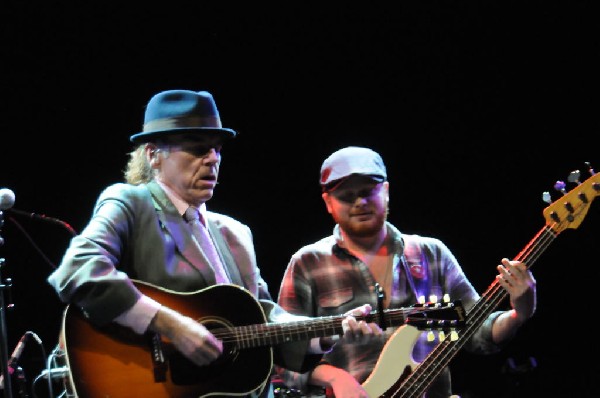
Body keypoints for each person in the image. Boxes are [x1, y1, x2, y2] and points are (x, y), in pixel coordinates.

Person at [46, 92, 382, 398]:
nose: (212, 159)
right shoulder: (131, 204)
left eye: (216, 148)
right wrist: (168, 323)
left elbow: (263, 317)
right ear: (153, 155)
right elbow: (79, 270)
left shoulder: (235, 233)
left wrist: (328, 331)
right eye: (196, 147)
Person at [274, 146, 537, 398]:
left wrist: (519, 313)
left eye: (368, 191)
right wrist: (335, 377)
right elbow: (282, 361)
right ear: (328, 203)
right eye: (346, 196)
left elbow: (478, 333)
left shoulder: (431, 253)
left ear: (386, 191)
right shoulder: (307, 263)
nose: (359, 202)